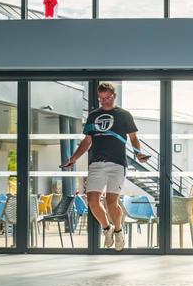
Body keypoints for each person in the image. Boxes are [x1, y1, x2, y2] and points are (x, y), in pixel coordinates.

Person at [62, 83, 149, 251]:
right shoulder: (93, 116)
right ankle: (107, 228)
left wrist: (138, 154)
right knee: (92, 200)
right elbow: (87, 141)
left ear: (114, 96)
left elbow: (133, 138)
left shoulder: (124, 115)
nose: (104, 101)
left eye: (107, 98)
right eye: (101, 98)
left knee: (111, 202)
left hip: (117, 164)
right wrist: (73, 158)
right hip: (96, 163)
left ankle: (118, 231)